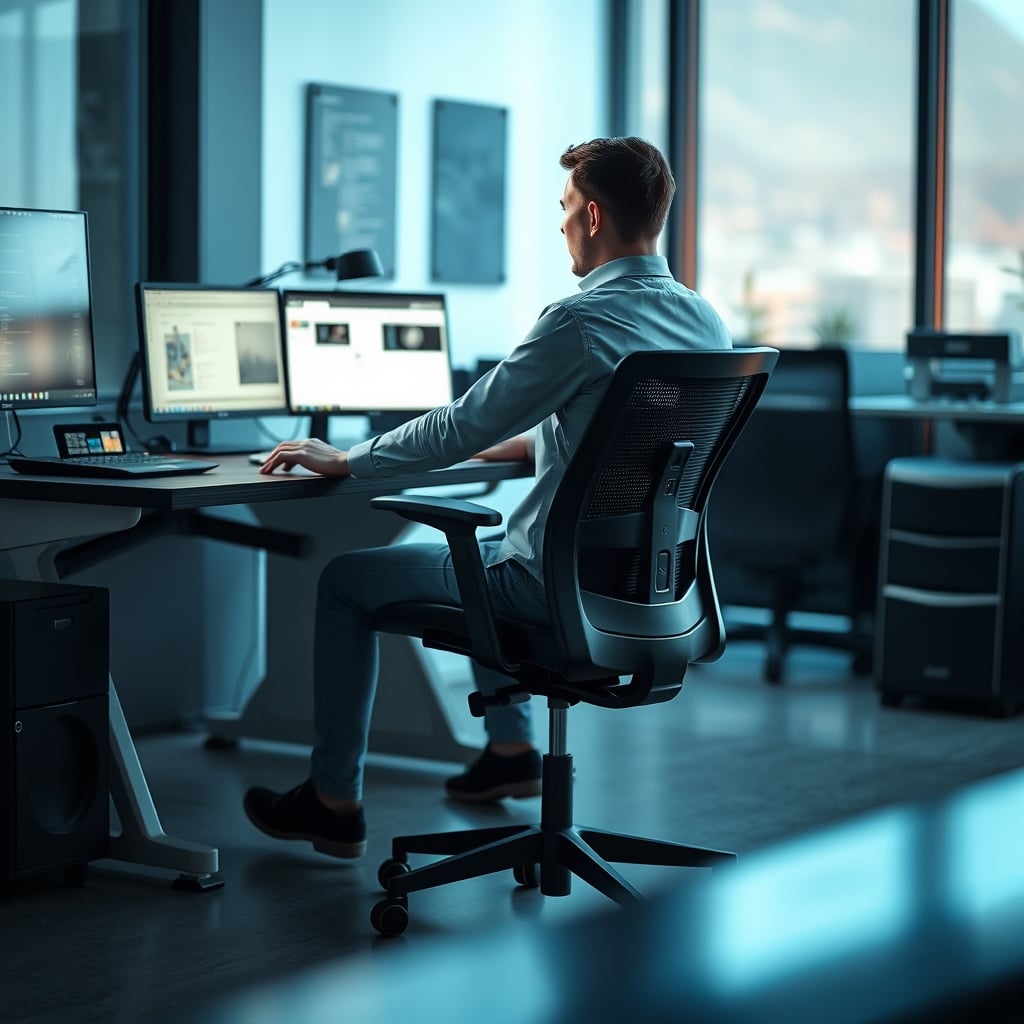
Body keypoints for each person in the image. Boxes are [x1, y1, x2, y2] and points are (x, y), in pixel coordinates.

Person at [243, 137, 732, 859]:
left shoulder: (579, 320)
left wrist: (345, 458)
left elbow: (459, 425)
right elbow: (628, 442)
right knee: (491, 551)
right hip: (651, 589)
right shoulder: (705, 322)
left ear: (593, 216)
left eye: (565, 208)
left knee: (349, 580)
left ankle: (333, 799)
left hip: (553, 591)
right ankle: (508, 753)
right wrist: (522, 445)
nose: (560, 223)